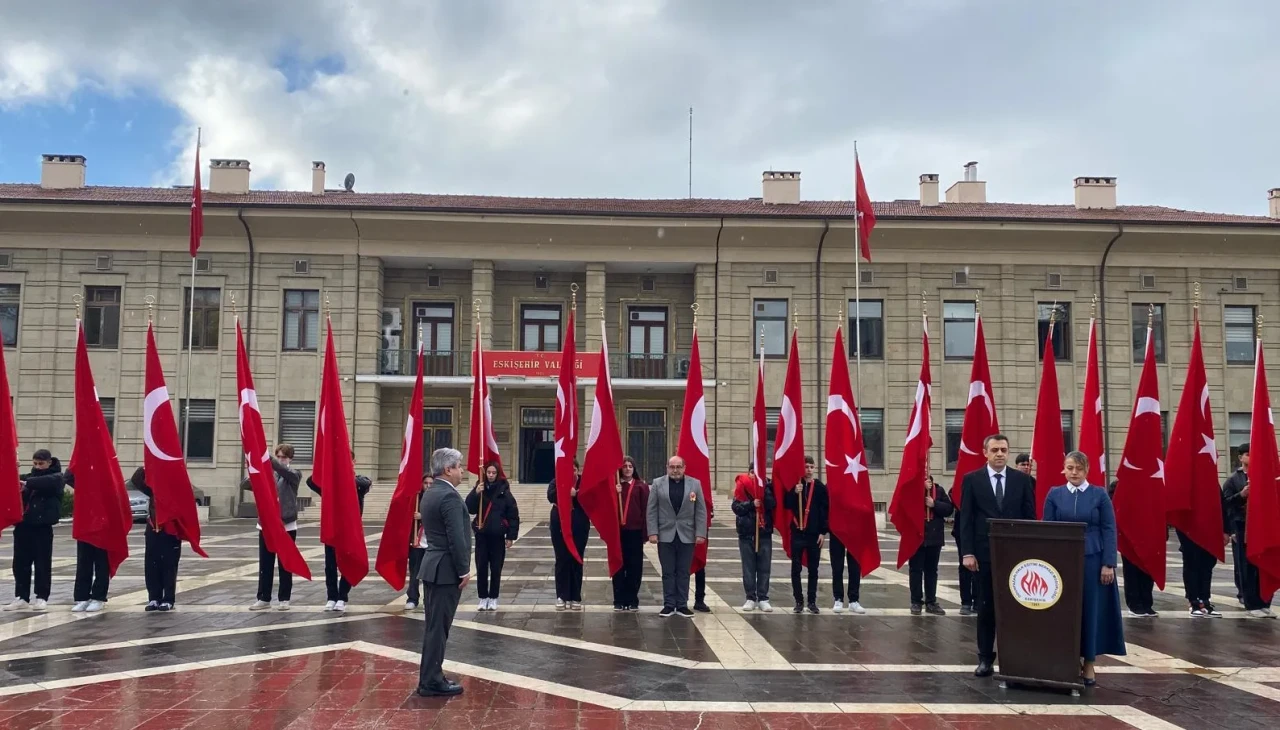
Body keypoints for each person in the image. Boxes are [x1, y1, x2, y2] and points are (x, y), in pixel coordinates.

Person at [1043, 451, 1126, 685]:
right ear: (1064, 469)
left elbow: (1109, 529)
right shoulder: (1055, 494)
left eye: (1079, 468)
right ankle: (1066, 660)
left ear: (1087, 469)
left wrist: (1108, 563)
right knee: (1064, 611)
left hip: (1093, 560)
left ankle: (1089, 662)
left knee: (1091, 611)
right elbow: (1047, 529)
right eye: (1070, 468)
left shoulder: (1099, 495)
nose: (1074, 473)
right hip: (1062, 562)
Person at [958, 433, 1037, 678]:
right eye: (995, 450)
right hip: (983, 556)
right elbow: (966, 520)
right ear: (986, 452)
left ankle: (1014, 657)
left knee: (1016, 609)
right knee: (986, 608)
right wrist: (967, 552)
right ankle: (984, 658)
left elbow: (1029, 518)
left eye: (1004, 449)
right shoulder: (972, 480)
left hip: (1015, 556)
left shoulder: (1022, 481)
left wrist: (1030, 552)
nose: (1000, 454)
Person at [415, 447, 472, 697]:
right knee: (438, 627)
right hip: (446, 569)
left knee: (434, 627)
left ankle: (432, 675)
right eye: (459, 467)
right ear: (448, 470)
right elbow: (456, 538)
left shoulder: (431, 491)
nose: (462, 471)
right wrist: (464, 570)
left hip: (434, 566)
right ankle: (431, 681)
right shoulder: (448, 496)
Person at [307, 455, 372, 612]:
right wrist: (328, 469)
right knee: (330, 566)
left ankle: (342, 597)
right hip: (333, 530)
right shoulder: (329, 484)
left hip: (350, 532)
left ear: (354, 462)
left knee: (348, 565)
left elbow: (367, 482)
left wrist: (344, 474)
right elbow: (311, 481)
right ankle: (331, 597)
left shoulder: (358, 482)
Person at [647, 455, 708, 618]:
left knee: (683, 571)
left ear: (684, 467)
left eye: (678, 467)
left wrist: (700, 533)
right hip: (665, 535)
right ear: (667, 467)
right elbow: (651, 510)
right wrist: (652, 531)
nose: (675, 470)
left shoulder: (695, 484)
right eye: (672, 467)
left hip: (687, 535)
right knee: (668, 571)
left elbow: (701, 511)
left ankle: (681, 605)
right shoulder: (657, 484)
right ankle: (668, 605)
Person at [7, 450, 65, 612]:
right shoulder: (27, 478)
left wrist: (25, 484)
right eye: (35, 463)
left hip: (42, 527)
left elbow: (45, 482)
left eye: (41, 464)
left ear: (49, 463)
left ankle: (41, 597)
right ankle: (21, 596)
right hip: (23, 526)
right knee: (20, 563)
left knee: (42, 563)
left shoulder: (56, 478)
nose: (38, 467)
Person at [1223, 444, 1275, 618]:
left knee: (1263, 564)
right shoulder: (1234, 480)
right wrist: (1242, 495)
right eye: (1247, 454)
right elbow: (1225, 504)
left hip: (1262, 527)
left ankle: (1264, 601)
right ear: (1240, 458)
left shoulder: (1265, 477)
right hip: (1242, 527)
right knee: (1246, 567)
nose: (1251, 457)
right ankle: (1251, 602)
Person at [249, 444, 302, 611]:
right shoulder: (268, 474)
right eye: (278, 456)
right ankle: (264, 597)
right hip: (266, 524)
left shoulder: (294, 474)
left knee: (285, 563)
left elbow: (284, 471)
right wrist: (254, 468)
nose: (281, 460)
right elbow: (247, 484)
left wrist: (266, 458)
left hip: (286, 525)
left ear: (290, 459)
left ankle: (284, 598)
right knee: (265, 562)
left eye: (284, 457)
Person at [465, 462, 519, 612]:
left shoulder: (504, 492)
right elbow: (469, 508)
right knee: (481, 567)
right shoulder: (480, 488)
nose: (490, 475)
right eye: (488, 472)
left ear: (497, 474)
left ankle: (493, 597)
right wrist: (475, 493)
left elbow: (513, 515)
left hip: (497, 537)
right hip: (482, 536)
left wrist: (511, 536)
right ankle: (483, 597)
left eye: (493, 473)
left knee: (496, 568)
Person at [129, 467, 181, 612]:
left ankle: (168, 599)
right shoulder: (152, 489)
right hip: (153, 530)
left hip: (170, 531)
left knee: (169, 566)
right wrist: (147, 465)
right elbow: (136, 480)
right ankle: (154, 598)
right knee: (151, 565)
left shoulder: (176, 487)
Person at [64, 468, 113, 613]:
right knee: (83, 562)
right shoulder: (82, 472)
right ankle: (82, 597)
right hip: (85, 523)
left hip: (102, 525)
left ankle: (99, 597)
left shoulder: (106, 467)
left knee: (101, 564)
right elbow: (67, 476)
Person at [785, 456, 828, 614]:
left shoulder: (820, 487)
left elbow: (825, 511)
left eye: (811, 466)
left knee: (814, 569)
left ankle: (812, 601)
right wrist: (794, 493)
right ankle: (798, 600)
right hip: (797, 532)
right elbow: (787, 504)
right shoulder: (797, 485)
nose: (809, 469)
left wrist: (823, 532)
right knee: (796, 568)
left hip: (814, 534)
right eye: (806, 466)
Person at [1108, 479, 1157, 618]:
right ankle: (1135, 604)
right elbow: (1114, 507)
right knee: (1132, 570)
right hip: (1129, 535)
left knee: (1148, 570)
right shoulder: (1119, 485)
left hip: (1149, 534)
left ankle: (1147, 603)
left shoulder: (1153, 483)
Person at [731, 471, 775, 612]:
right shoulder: (741, 487)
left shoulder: (768, 485)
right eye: (751, 473)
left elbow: (773, 504)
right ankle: (750, 597)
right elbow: (736, 508)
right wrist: (751, 504)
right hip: (746, 533)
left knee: (764, 567)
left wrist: (764, 492)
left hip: (764, 533)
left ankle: (763, 598)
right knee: (748, 568)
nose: (753, 476)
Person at [910, 474, 954, 616]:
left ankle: (931, 601)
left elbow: (948, 509)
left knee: (931, 571)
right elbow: (905, 505)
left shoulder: (939, 490)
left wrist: (934, 504)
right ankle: (916, 601)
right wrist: (920, 491)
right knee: (916, 570)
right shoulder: (911, 491)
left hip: (934, 537)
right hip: (916, 536)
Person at [547, 460, 589, 610]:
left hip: (579, 527)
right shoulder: (556, 481)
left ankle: (575, 596)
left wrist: (575, 495)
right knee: (562, 560)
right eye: (568, 469)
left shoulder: (584, 482)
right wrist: (565, 491)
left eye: (574, 469)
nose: (571, 472)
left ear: (578, 470)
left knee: (577, 559)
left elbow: (590, 499)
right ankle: (562, 596)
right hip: (559, 526)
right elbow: (550, 496)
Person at [613, 457, 650, 611]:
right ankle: (619, 600)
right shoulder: (615, 486)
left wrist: (645, 533)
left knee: (635, 567)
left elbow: (647, 510)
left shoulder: (641, 486)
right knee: (619, 566)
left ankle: (632, 599)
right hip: (618, 533)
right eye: (625, 466)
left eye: (630, 466)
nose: (627, 469)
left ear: (634, 468)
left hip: (634, 533)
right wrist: (614, 493)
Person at [1176, 527, 1223, 618]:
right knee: (1192, 562)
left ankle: (1204, 600)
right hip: (1189, 525)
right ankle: (1193, 601)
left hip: (1210, 525)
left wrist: (1226, 530)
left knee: (1208, 563)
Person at [406, 475, 432, 610]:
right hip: (417, 542)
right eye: (425, 483)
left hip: (432, 543)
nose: (428, 486)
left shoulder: (437, 499)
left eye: (430, 483)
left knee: (430, 574)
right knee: (415, 572)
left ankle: (428, 599)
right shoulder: (416, 499)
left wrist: (423, 516)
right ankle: (412, 597)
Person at [949, 480, 974, 616]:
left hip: (982, 530)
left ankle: (978, 600)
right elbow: (953, 494)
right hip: (962, 531)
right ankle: (966, 602)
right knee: (964, 566)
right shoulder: (966, 478)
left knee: (981, 567)